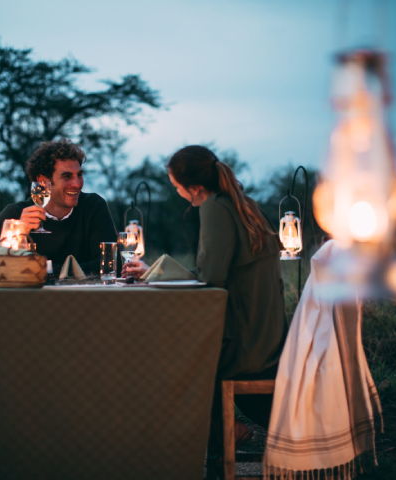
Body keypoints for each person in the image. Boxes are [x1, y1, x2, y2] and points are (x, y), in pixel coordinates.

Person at [123, 145, 287, 474]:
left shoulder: (213, 208)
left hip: (245, 345)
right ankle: (218, 436)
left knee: (176, 354)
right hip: (269, 334)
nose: (178, 193)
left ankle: (212, 442)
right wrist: (155, 271)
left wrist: (155, 274)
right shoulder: (244, 205)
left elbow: (211, 278)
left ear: (193, 188)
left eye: (176, 187)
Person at [0, 138, 117, 283]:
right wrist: (13, 236)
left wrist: (43, 270)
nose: (77, 183)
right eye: (67, 176)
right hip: (31, 303)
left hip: (82, 302)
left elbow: (111, 266)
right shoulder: (16, 215)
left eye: (79, 174)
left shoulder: (93, 207)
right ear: (42, 181)